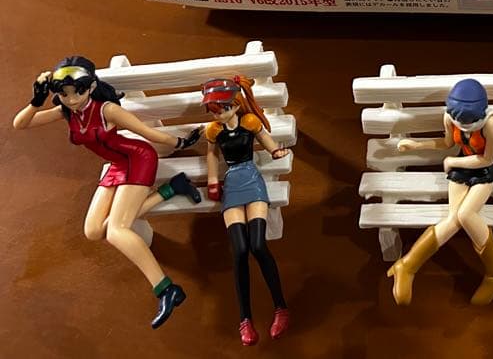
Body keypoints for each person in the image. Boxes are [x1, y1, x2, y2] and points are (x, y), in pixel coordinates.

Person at [11, 56, 202, 328]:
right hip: (116, 165)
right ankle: (172, 189)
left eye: (78, 92)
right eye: (64, 94)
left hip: (137, 159)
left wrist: (180, 142)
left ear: (90, 87)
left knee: (116, 230)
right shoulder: (66, 111)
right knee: (93, 231)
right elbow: (20, 124)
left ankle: (166, 289)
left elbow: (146, 133)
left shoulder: (107, 110)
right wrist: (36, 100)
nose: (72, 99)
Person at [387, 79, 493, 306]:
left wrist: (452, 162)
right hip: (461, 168)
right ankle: (406, 266)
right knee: (452, 220)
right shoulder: (450, 117)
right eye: (460, 121)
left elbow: (487, 159)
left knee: (466, 215)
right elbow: (447, 143)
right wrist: (416, 145)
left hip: (483, 172)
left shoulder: (490, 123)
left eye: (470, 122)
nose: (464, 126)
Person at [203, 76, 292, 346]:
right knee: (240, 250)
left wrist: (276, 152)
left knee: (258, 245)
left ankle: (281, 307)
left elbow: (266, 140)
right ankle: (245, 319)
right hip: (232, 183)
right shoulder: (213, 131)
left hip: (252, 181)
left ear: (234, 105)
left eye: (222, 109)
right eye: (214, 110)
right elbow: (211, 155)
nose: (218, 115)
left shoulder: (250, 123)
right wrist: (213, 180)